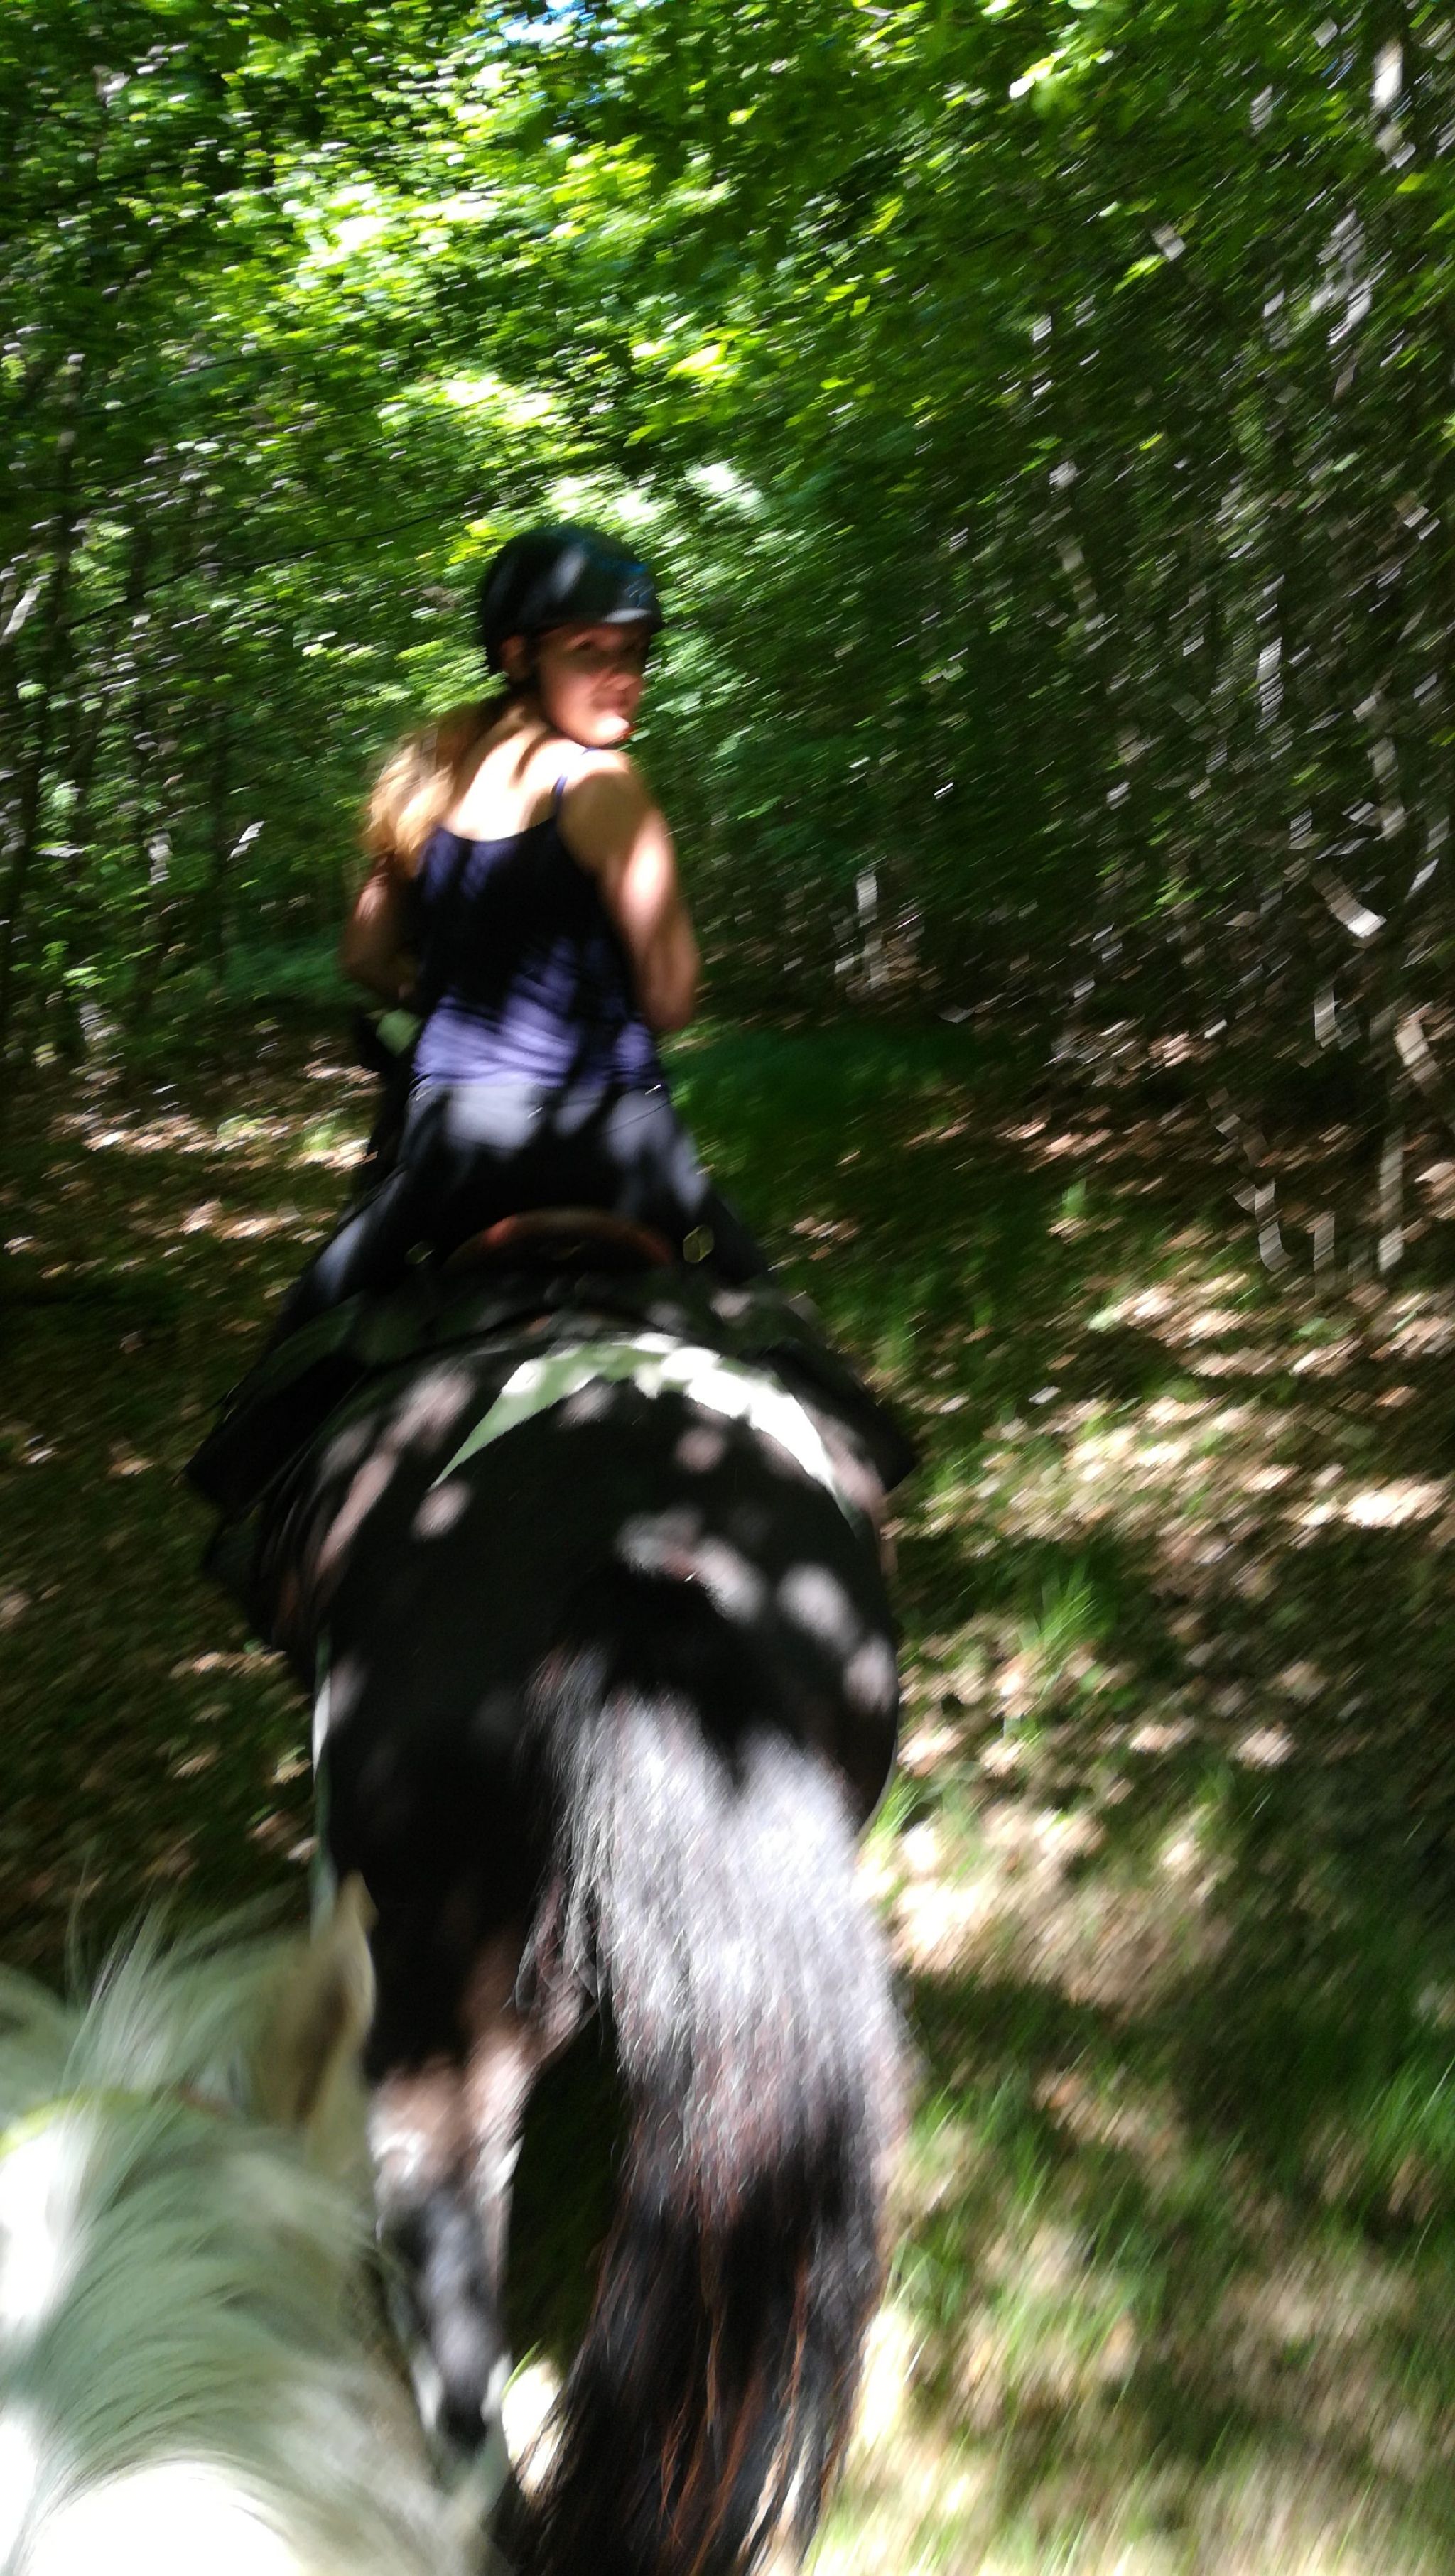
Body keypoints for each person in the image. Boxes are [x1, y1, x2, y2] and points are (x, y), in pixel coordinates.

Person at [274, 523, 764, 1335]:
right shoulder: (603, 783)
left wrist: (446, 996)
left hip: (453, 1140)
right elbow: (671, 1001)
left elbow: (362, 954)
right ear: (518, 656)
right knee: (774, 1332)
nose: (621, 678)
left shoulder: (431, 773)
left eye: (633, 652)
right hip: (613, 1136)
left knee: (308, 1339)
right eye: (588, 651)